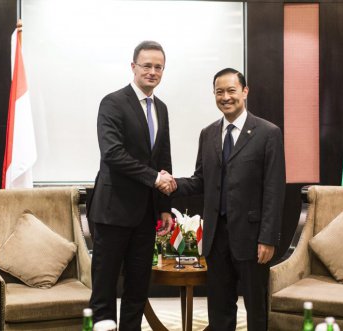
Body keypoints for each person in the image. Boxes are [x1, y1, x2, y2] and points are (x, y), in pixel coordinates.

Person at [166, 68, 285, 330]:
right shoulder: (208, 134)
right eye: (219, 92)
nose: (225, 97)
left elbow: (274, 189)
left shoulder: (268, 133)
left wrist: (268, 237)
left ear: (245, 91)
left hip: (253, 237)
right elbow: (200, 180)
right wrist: (171, 183)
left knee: (256, 308)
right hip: (216, 236)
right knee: (219, 308)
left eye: (231, 90)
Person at [88, 40, 175, 330]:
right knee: (104, 288)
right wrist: (153, 178)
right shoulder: (113, 102)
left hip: (146, 215)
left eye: (158, 67)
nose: (152, 71)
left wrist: (164, 208)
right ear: (133, 67)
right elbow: (112, 154)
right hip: (113, 212)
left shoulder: (160, 108)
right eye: (147, 65)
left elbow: (163, 158)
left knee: (138, 288)